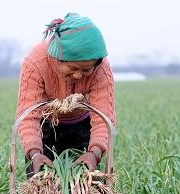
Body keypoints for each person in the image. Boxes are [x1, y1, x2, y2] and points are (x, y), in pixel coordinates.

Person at [15, 13, 115, 177]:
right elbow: (28, 115)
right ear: (58, 58)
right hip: (45, 125)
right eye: (73, 68)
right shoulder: (36, 63)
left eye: (85, 70)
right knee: (40, 178)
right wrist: (34, 153)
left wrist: (94, 153)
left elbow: (103, 118)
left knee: (86, 178)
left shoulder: (101, 69)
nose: (78, 75)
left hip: (82, 125)